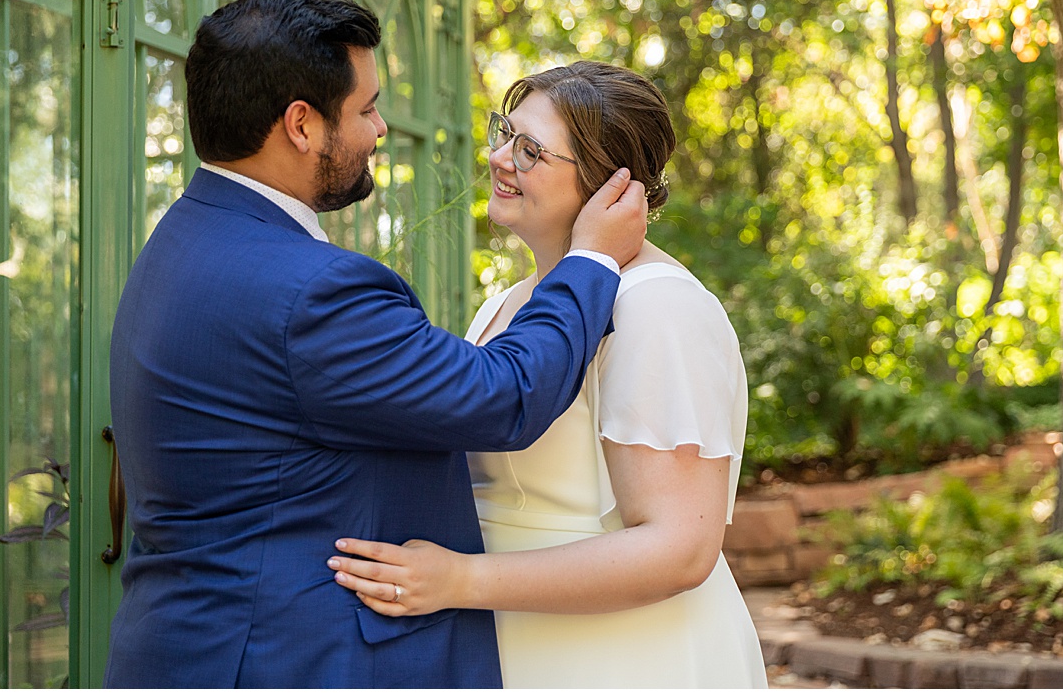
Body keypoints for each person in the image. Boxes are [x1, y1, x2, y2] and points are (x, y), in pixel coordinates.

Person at [103, 0, 648, 689]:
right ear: (301, 124)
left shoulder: (183, 238)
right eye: (365, 108)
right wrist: (592, 260)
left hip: (188, 645)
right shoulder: (310, 292)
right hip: (286, 660)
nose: (381, 128)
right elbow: (504, 396)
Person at [326, 61, 769, 688]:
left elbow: (679, 550)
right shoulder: (506, 304)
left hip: (627, 660)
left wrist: (459, 580)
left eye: (530, 150)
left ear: (607, 183)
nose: (501, 158)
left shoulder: (658, 306)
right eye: (505, 133)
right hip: (514, 647)